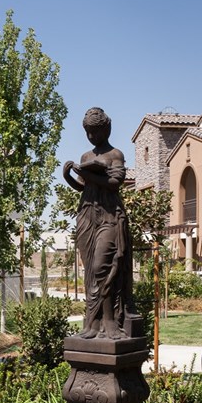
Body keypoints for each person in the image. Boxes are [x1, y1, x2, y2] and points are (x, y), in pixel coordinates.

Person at [62, 107, 135, 339]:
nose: (91, 137)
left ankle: (110, 321)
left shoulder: (116, 154)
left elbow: (114, 183)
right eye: (88, 133)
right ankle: (92, 324)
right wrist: (68, 176)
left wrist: (92, 175)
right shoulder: (86, 157)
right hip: (87, 217)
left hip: (110, 217)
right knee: (90, 273)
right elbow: (84, 187)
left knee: (103, 267)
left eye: (95, 132)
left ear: (107, 129)